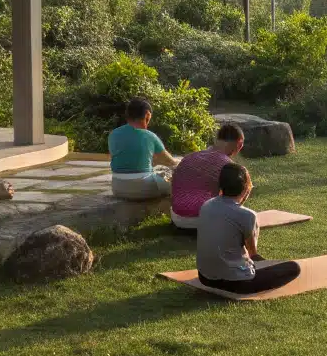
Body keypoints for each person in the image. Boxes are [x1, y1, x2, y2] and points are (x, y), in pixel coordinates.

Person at [196, 162, 301, 294]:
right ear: (246, 188)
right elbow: (252, 253)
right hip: (237, 283)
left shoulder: (206, 205)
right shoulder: (247, 215)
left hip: (205, 277)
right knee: (293, 267)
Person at [171, 123, 245, 229]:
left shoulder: (189, 157)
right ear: (240, 144)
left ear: (216, 139)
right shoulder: (228, 165)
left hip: (176, 218)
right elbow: (236, 196)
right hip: (203, 220)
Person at [107, 98, 180, 200]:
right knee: (176, 183)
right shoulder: (149, 136)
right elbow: (170, 162)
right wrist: (179, 162)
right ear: (147, 114)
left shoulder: (113, 134)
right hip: (143, 188)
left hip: (117, 188)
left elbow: (122, 160)